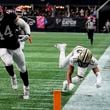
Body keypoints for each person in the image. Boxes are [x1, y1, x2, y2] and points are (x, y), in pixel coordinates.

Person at [0, 5, 31, 99]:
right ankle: (13, 76)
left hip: (14, 45)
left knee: (23, 68)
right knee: (8, 62)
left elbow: (25, 25)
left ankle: (26, 88)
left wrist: (28, 34)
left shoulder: (10, 16)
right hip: (2, 46)